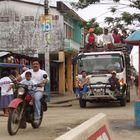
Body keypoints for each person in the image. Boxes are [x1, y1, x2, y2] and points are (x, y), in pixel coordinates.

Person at [17, 60, 49, 124]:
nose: (35, 65)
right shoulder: (28, 71)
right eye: (34, 64)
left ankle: (37, 117)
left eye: (36, 64)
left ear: (39, 65)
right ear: (32, 65)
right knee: (18, 96)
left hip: (38, 90)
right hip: (27, 90)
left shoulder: (42, 72)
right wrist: (15, 80)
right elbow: (20, 77)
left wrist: (43, 82)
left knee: (36, 99)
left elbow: (46, 79)